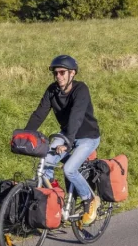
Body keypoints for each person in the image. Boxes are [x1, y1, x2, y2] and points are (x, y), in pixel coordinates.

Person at [25, 55, 102, 224]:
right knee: (45, 165)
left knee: (69, 169)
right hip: (67, 134)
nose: (58, 76)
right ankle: (58, 197)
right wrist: (25, 135)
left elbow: (76, 117)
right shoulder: (52, 90)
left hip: (87, 137)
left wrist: (67, 142)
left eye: (62, 72)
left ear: (72, 73)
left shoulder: (81, 89)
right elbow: (39, 113)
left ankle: (90, 199)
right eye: (55, 73)